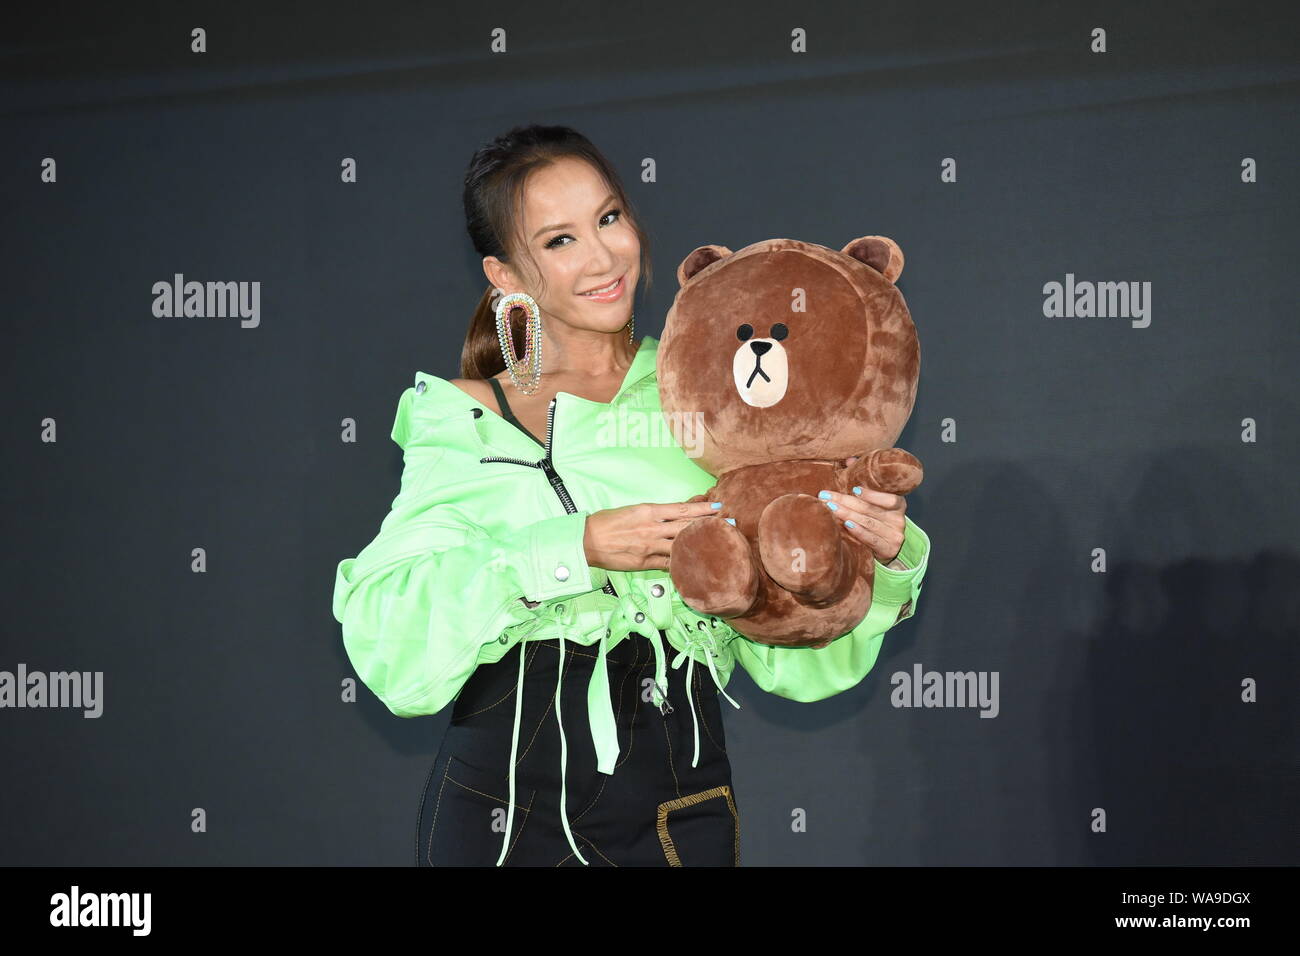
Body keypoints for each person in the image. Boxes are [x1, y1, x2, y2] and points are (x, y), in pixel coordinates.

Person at [331, 124, 931, 867]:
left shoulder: (716, 393)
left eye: (608, 219)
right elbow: (389, 645)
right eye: (559, 240)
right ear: (505, 274)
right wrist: (575, 549)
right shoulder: (460, 415)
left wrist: (874, 557)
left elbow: (800, 665)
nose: (604, 255)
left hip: (675, 806)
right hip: (498, 815)